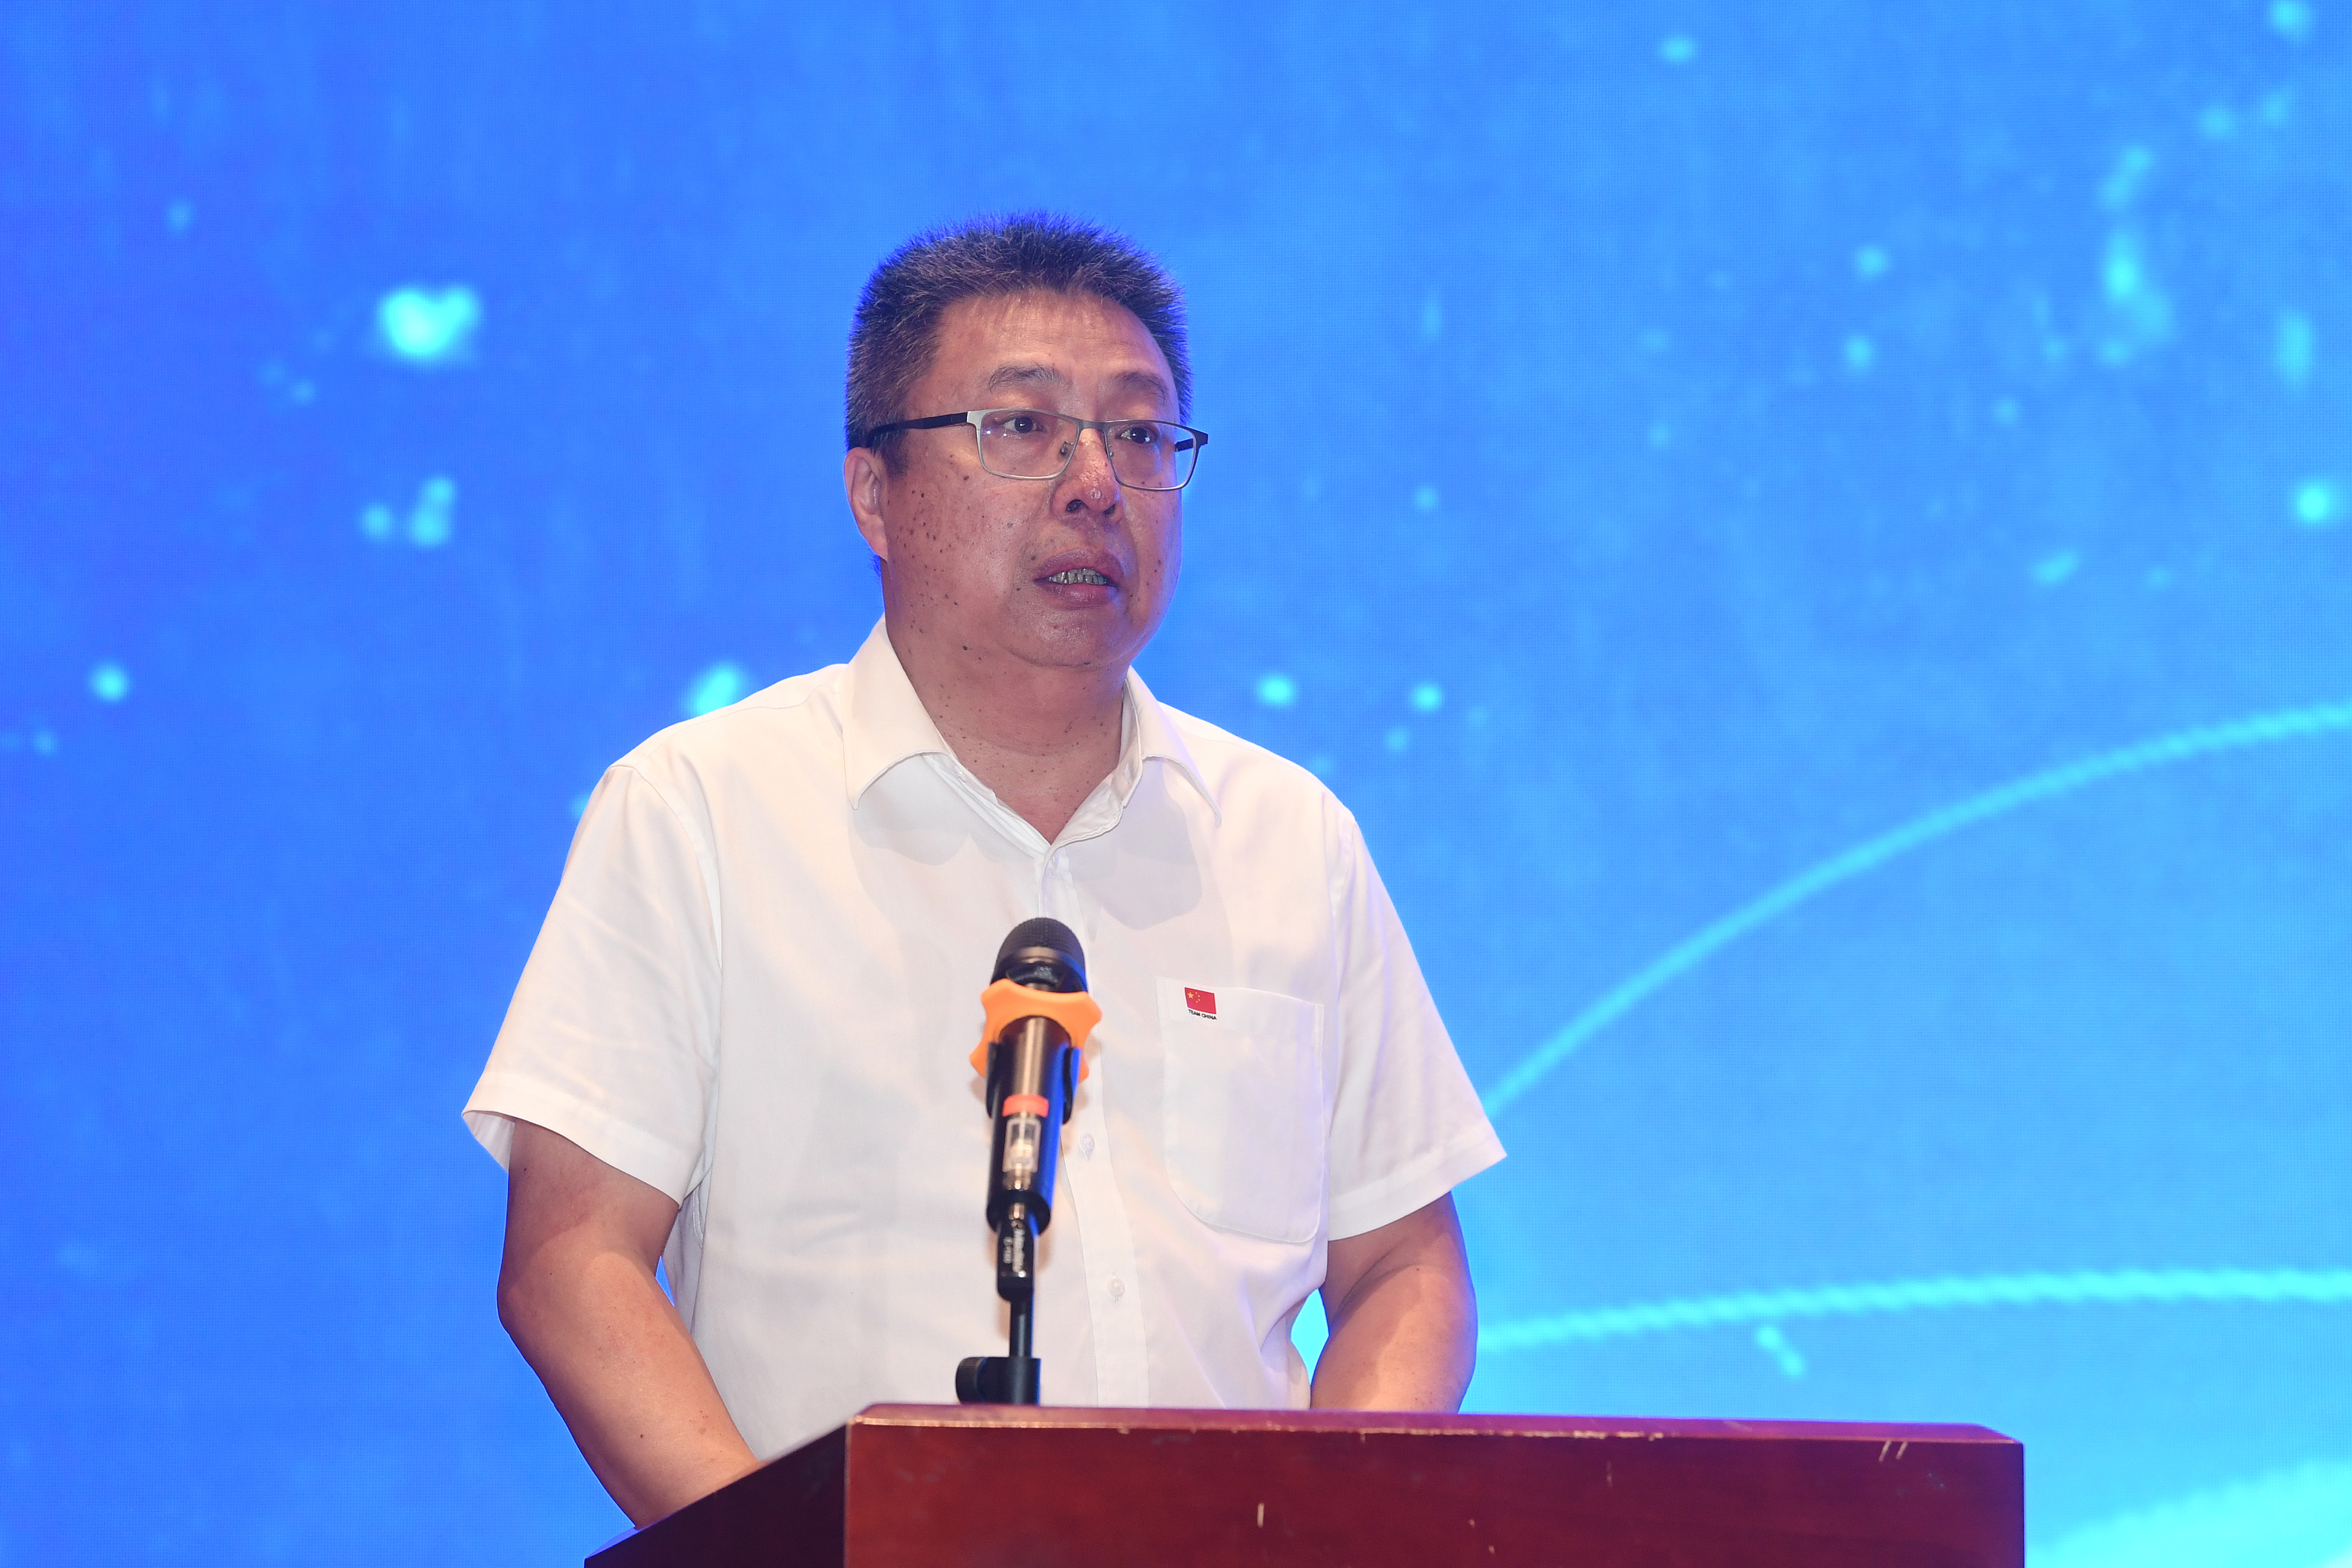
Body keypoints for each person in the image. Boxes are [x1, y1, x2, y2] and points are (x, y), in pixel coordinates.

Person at [463, 214, 1504, 1527]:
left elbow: (1407, 1268)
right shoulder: (701, 812)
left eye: (1141, 435)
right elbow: (573, 1262)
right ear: (874, 495)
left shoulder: (1288, 836)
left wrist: (1327, 1533)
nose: (1097, 483)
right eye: (1022, 428)